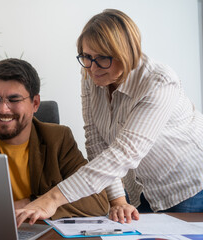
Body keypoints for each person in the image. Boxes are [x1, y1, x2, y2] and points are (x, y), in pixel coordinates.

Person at [15, 9, 203, 227]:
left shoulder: (159, 82)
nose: (93, 68)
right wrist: (118, 200)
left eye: (103, 58)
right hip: (140, 188)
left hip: (189, 184)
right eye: (86, 56)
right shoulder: (91, 74)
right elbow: (96, 140)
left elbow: (124, 152)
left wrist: (51, 199)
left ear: (127, 53)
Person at [0, 58, 110, 219]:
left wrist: (34, 204)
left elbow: (98, 201)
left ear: (35, 103)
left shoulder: (58, 139)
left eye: (14, 99)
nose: (3, 109)